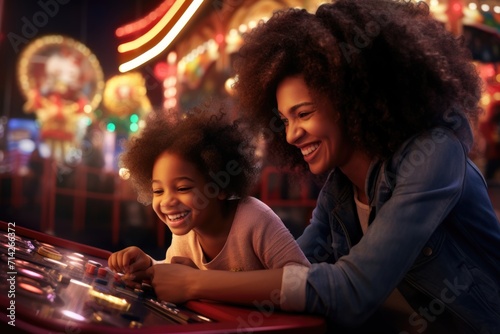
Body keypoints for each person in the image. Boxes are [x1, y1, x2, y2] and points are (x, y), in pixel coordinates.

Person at [138, 1, 500, 333]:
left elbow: (352, 291)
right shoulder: (340, 189)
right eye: (284, 119)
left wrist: (194, 284)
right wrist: (165, 270)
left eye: (304, 114)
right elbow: (291, 274)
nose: (292, 134)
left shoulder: (434, 156)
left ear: (351, 99)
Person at [108, 105, 310, 280]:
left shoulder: (255, 219)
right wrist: (148, 266)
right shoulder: (187, 232)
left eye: (183, 188)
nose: (167, 201)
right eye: (158, 190)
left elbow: (304, 280)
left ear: (220, 186)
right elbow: (174, 273)